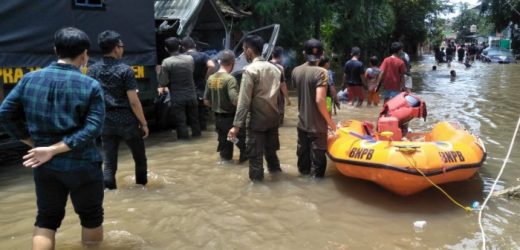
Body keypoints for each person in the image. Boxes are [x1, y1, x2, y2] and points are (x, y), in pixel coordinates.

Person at [0, 27, 105, 249]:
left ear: (55, 50)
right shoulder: (90, 85)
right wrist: (55, 149)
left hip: (45, 165)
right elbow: (93, 128)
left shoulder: (29, 79)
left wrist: (35, 144)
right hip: (83, 164)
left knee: (46, 219)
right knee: (91, 217)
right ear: (85, 54)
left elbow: (5, 114)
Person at [87, 30, 149, 190]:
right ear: (116, 48)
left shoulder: (92, 70)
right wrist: (143, 123)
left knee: (109, 163)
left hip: (106, 122)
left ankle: (109, 191)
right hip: (128, 121)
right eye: (121, 46)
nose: (123, 49)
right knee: (140, 159)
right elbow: (134, 101)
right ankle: (142, 190)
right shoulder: (125, 70)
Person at [227, 35, 282, 181]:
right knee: (272, 156)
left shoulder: (250, 70)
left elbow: (244, 102)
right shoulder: (275, 69)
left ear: (250, 50)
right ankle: (278, 181)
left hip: (257, 121)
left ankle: (257, 192)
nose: (243, 53)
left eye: (244, 50)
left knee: (255, 159)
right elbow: (280, 97)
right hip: (273, 119)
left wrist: (236, 126)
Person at [292, 38, 336, 178]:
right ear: (322, 54)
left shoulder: (296, 71)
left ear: (304, 53)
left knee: (303, 166)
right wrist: (331, 123)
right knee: (317, 171)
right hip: (317, 128)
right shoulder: (322, 72)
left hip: (302, 125)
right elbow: (319, 99)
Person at [204, 50, 246, 163]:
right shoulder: (230, 79)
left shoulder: (211, 78)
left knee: (225, 148)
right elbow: (235, 100)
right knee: (243, 146)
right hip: (231, 120)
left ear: (220, 62)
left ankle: (226, 166)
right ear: (232, 62)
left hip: (218, 120)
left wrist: (218, 104)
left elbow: (206, 101)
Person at [158, 37, 201, 139]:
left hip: (178, 97)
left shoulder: (166, 62)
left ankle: (184, 143)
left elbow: (163, 82)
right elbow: (191, 72)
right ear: (179, 47)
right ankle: (198, 138)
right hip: (192, 95)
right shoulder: (189, 59)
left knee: (181, 122)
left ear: (166, 49)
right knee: (195, 120)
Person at [181, 37, 216, 130]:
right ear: (195, 45)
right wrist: (206, 77)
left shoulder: (181, 57)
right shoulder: (203, 55)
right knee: (202, 113)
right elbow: (212, 66)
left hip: (186, 90)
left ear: (183, 48)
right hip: (200, 88)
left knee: (189, 115)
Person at [269, 46, 291, 124]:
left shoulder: (265, 65)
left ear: (272, 55)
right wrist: (288, 99)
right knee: (278, 119)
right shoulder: (280, 68)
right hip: (277, 96)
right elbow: (282, 85)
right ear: (281, 56)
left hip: (266, 96)